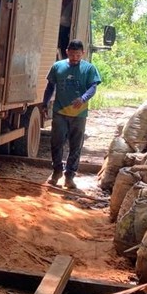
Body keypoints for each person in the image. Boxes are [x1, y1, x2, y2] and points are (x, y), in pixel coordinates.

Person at [42, 39, 101, 190]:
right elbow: (50, 86)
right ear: (67, 52)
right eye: (72, 54)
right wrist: (44, 103)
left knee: (75, 145)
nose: (75, 57)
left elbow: (93, 87)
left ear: (83, 53)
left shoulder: (89, 69)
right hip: (60, 111)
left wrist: (83, 98)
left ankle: (70, 176)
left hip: (79, 114)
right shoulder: (58, 67)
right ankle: (56, 172)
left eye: (78, 55)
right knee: (56, 142)